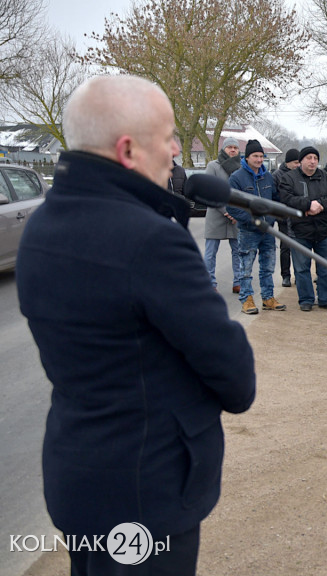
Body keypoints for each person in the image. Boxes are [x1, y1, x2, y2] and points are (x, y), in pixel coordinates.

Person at [16, 75, 256, 575]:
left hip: (77, 474)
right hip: (148, 490)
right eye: (167, 137)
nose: (174, 151)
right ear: (127, 149)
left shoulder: (39, 227)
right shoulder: (152, 241)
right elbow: (236, 381)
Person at [278, 146, 327, 312]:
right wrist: (307, 205)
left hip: (324, 230)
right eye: (309, 158)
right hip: (299, 230)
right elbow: (286, 197)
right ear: (301, 160)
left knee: (326, 266)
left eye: (315, 158)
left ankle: (326, 298)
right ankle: (306, 299)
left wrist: (319, 205)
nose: (312, 161)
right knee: (301, 267)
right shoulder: (289, 178)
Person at [228, 139, 286, 314]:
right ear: (247, 157)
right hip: (248, 231)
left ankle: (268, 298)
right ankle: (247, 299)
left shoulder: (267, 176)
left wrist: (272, 218)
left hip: (267, 230)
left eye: (261, 156)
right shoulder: (236, 178)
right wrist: (252, 220)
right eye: (255, 156)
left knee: (268, 266)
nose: (259, 159)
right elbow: (231, 206)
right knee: (245, 268)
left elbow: (275, 199)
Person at [204, 137, 243, 292]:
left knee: (238, 251)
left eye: (235, 147)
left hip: (237, 217)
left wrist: (237, 212)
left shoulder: (242, 167)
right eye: (229, 147)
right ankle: (210, 283)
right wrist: (226, 211)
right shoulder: (213, 166)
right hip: (216, 214)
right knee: (210, 252)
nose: (232, 150)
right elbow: (208, 191)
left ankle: (238, 282)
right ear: (224, 149)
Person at [272, 148, 300, 287]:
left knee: (299, 248)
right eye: (295, 162)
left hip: (299, 217)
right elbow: (274, 196)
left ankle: (298, 275)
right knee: (285, 247)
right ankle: (286, 275)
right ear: (288, 162)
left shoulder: (300, 174)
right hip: (284, 217)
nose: (298, 165)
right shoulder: (277, 175)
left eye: (299, 162)